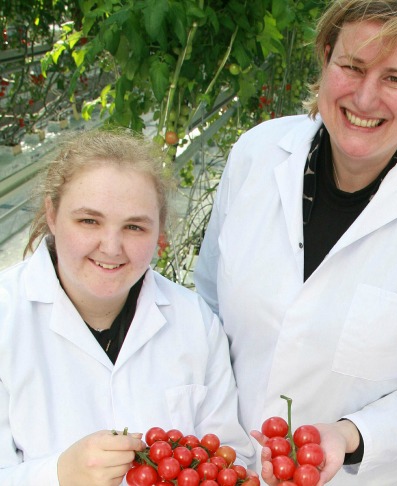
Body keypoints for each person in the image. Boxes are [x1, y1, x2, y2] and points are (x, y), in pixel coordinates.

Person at [193, 0, 397, 483]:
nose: (365, 96)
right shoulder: (256, 154)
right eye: (352, 67)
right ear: (326, 61)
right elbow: (205, 307)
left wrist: (347, 434)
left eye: (394, 79)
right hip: (225, 468)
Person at [0, 130, 255, 485]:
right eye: (89, 221)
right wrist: (58, 474)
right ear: (52, 213)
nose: (111, 247)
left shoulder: (193, 321)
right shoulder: (6, 318)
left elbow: (230, 456)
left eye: (134, 227)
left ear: (159, 234)